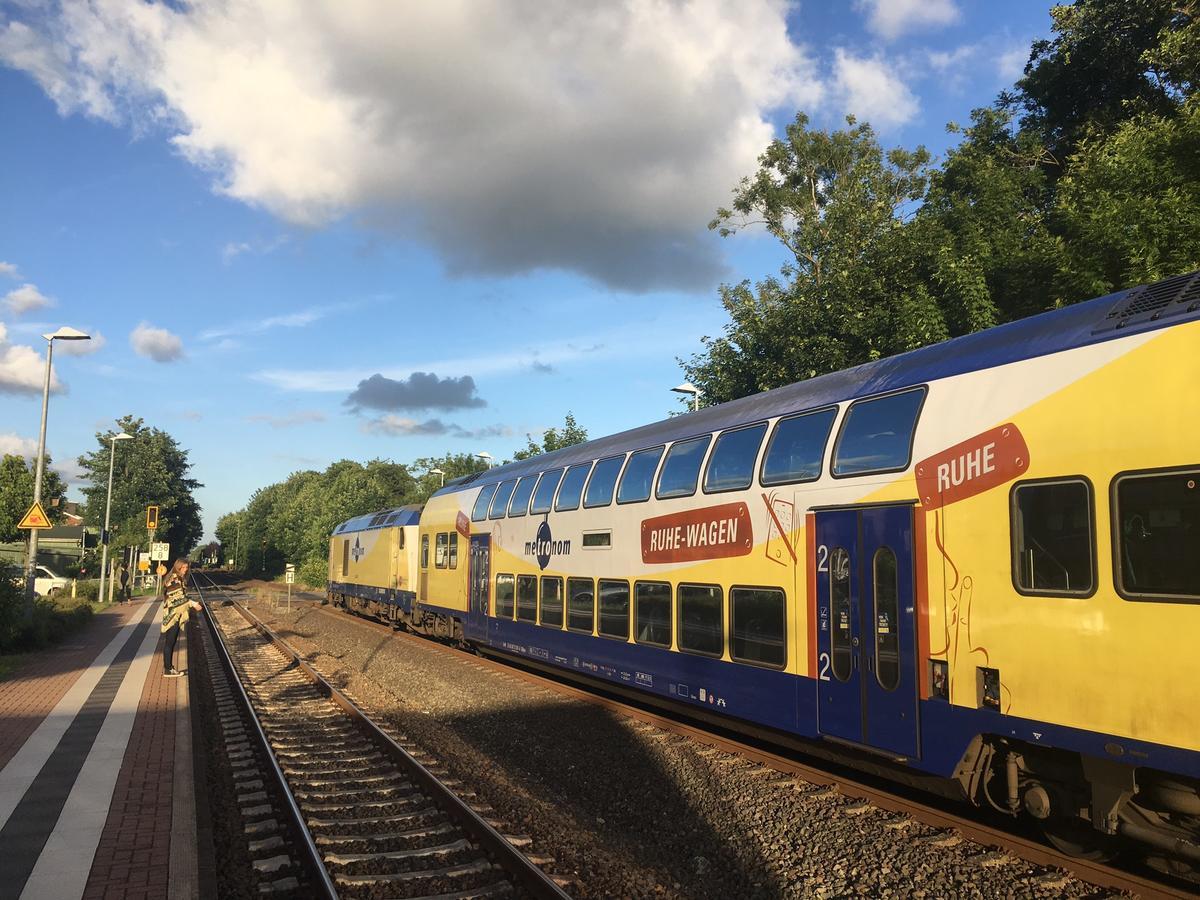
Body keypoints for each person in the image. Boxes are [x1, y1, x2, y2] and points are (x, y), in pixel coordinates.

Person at [161, 559, 201, 677]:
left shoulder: (177, 578)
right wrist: (193, 604)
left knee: (171, 641)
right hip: (173, 614)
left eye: (186, 568)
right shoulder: (175, 579)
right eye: (183, 568)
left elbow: (180, 597)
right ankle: (168, 669)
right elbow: (178, 599)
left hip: (174, 613)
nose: (185, 570)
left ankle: (169, 667)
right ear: (177, 567)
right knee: (170, 641)